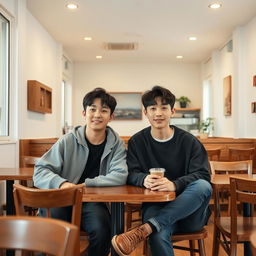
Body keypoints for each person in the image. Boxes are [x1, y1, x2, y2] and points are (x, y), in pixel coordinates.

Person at [112, 86, 212, 256]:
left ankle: (147, 227)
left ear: (172, 111)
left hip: (190, 214)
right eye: (152, 108)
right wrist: (143, 179)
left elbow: (203, 175)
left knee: (203, 186)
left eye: (164, 108)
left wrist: (174, 185)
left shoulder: (189, 142)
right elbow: (130, 173)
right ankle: (153, 226)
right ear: (146, 112)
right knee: (157, 236)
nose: (158, 113)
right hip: (156, 206)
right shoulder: (137, 142)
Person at [33, 88, 128, 256]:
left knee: (103, 230)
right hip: (62, 198)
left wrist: (86, 184)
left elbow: (120, 175)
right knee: (49, 232)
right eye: (92, 109)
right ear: (84, 113)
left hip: (93, 202)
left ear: (111, 117)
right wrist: (62, 184)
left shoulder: (117, 144)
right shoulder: (67, 140)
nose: (97, 114)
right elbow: (40, 170)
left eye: (104, 110)